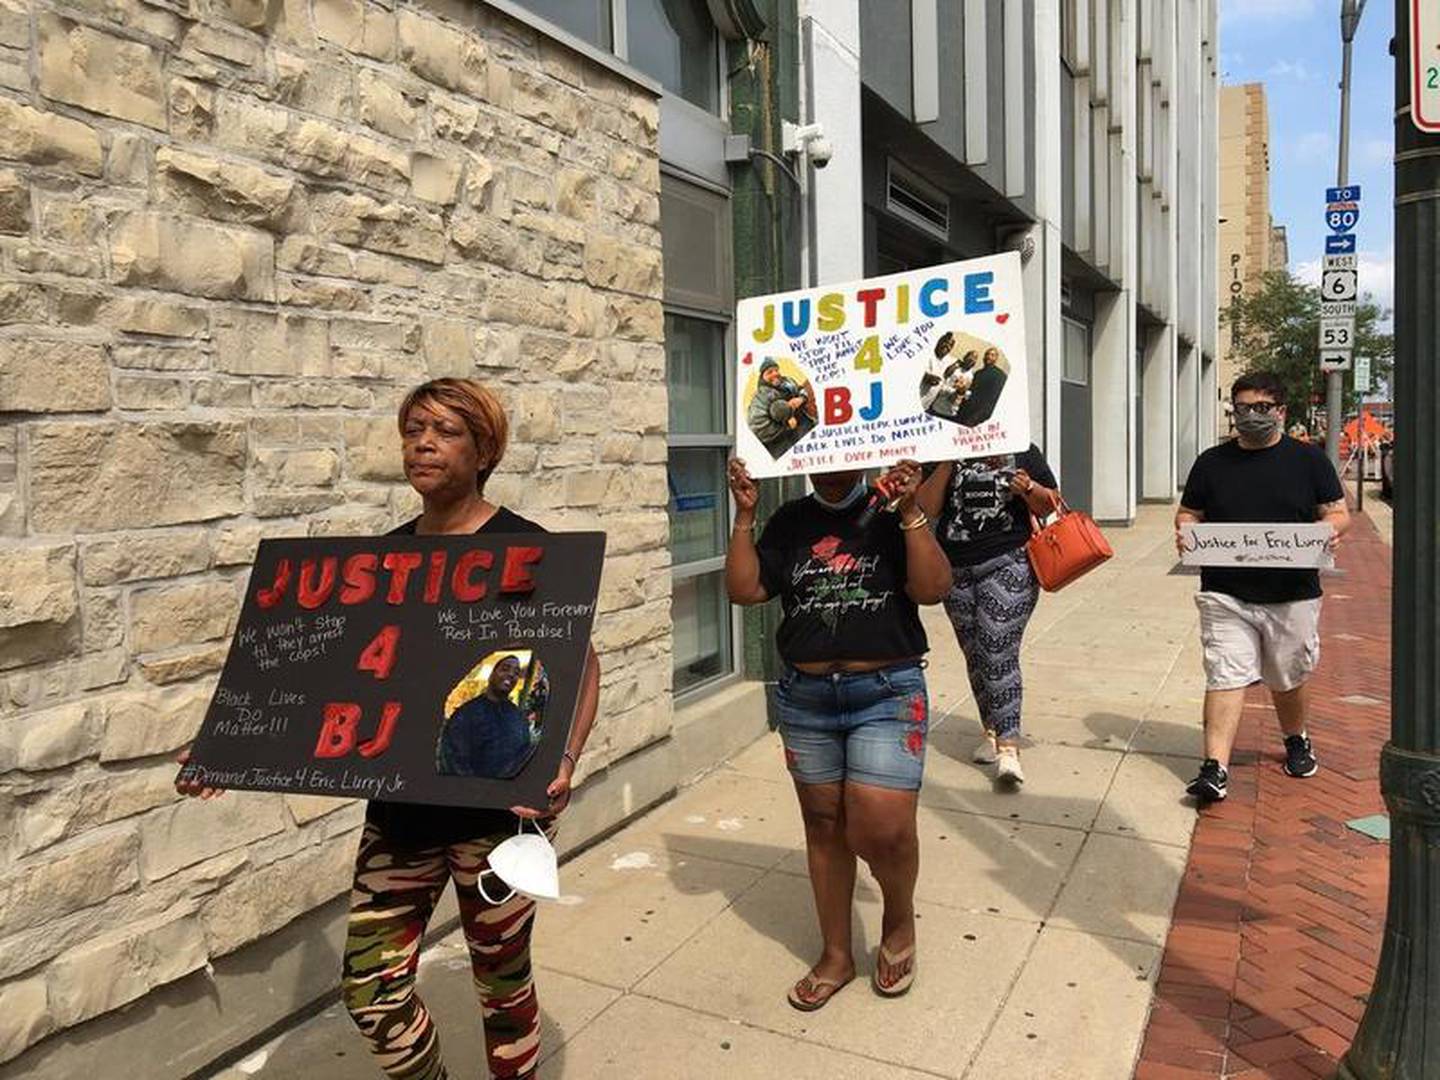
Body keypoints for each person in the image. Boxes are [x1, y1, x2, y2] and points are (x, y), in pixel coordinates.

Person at [179, 377, 601, 1080]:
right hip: (400, 810)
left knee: (502, 985)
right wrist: (226, 746)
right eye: (413, 431)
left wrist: (566, 758)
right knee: (372, 994)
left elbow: (580, 668)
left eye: (444, 431)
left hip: (495, 812)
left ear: (483, 448)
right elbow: (326, 680)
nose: (423, 444)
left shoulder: (526, 550)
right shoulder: (382, 559)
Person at [725, 458, 952, 1011]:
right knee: (823, 825)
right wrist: (744, 517)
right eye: (819, 462)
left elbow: (933, 589)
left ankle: (898, 919)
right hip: (806, 697)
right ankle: (836, 954)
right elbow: (746, 589)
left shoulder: (891, 513)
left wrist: (912, 512)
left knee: (883, 828)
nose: (830, 472)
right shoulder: (789, 521)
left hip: (886, 692)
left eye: (842, 460)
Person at [1175, 372, 1349, 803]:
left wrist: (1329, 531)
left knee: (1286, 675)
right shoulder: (1211, 463)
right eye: (1243, 408)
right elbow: (1189, 512)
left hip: (1292, 593)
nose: (1251, 416)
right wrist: (1185, 531)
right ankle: (1214, 767)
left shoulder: (1309, 461)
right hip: (1225, 590)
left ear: (1281, 412)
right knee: (1225, 672)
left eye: (1262, 408)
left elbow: (1337, 512)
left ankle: (1296, 738)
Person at [917, 446, 1060, 784]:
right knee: (976, 654)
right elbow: (927, 507)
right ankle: (992, 731)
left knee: (997, 648)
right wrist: (949, 456)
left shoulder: (1019, 445)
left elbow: (1050, 501)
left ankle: (1009, 748)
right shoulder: (941, 447)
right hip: (955, 568)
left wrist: (1027, 489)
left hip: (1009, 560)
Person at [437, 654, 538, 779]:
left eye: (516, 673)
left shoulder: (518, 718)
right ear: (492, 674)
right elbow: (454, 763)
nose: (511, 675)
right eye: (505, 669)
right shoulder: (466, 715)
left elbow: (523, 755)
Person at [747, 358, 815, 458]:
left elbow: (801, 389)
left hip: (804, 425)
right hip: (782, 442)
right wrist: (786, 425)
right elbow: (757, 426)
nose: (775, 374)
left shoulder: (788, 382)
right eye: (770, 372)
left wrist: (801, 398)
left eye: (776, 370)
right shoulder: (760, 397)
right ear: (762, 377)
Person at [953, 346, 1008, 427]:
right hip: (964, 413)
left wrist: (975, 419)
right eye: (987, 354)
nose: (988, 357)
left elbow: (992, 402)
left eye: (992, 355)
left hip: (976, 418)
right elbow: (971, 393)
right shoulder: (978, 373)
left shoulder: (1000, 375)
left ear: (996, 359)